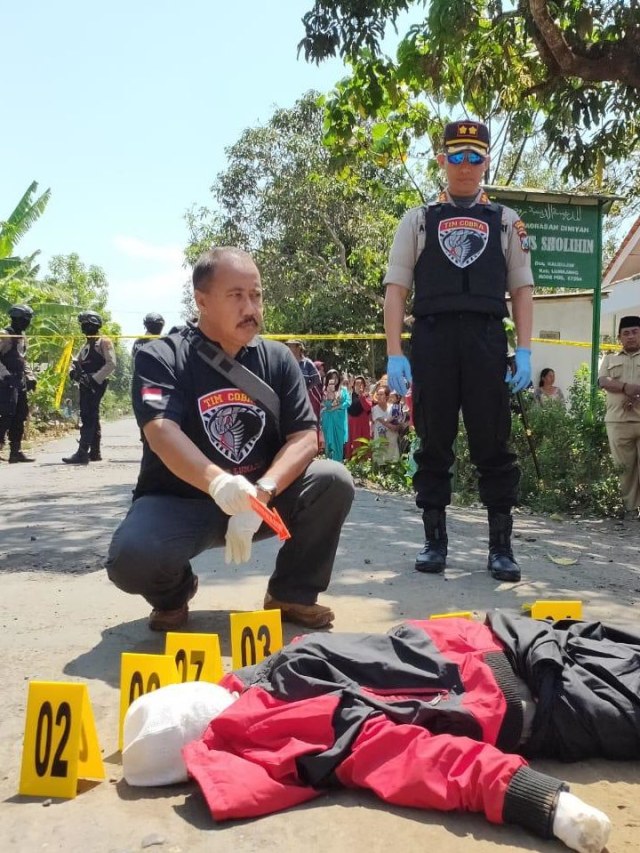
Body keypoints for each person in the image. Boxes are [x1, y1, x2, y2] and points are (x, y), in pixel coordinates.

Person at [125, 611, 633, 853]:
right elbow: (414, 755)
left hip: (538, 684)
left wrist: (536, 800)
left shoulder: (295, 720)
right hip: (522, 651)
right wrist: (535, 798)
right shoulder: (286, 673)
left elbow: (410, 757)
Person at [106, 247, 355, 632]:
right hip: (182, 501)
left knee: (332, 480)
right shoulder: (162, 357)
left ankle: (291, 593)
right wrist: (219, 482)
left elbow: (305, 437)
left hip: (258, 502)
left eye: (256, 295)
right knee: (131, 558)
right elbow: (160, 430)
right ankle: (173, 595)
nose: (250, 307)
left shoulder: (278, 359)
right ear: (201, 301)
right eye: (236, 295)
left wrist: (264, 490)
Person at [384, 120, 534, 582]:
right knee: (434, 441)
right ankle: (434, 542)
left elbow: (523, 289)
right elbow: (395, 289)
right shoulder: (418, 219)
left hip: (487, 340)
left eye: (475, 157)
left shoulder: (508, 221)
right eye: (457, 156)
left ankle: (501, 548)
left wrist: (524, 350)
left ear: (486, 161)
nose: (466, 166)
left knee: (494, 442)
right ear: (441, 160)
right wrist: (395, 352)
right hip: (433, 340)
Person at [598, 315, 640, 519]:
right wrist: (625, 387)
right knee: (625, 469)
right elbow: (603, 381)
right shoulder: (609, 358)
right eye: (626, 333)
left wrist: (636, 393)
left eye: (635, 332)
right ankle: (631, 510)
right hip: (618, 422)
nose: (631, 336)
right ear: (619, 337)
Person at [62, 312, 116, 464]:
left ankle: (82, 452)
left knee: (88, 416)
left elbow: (111, 364)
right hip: (85, 384)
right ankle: (95, 452)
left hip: (95, 385)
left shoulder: (103, 341)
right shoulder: (86, 345)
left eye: (85, 324)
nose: (83, 327)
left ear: (93, 324)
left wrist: (94, 378)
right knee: (92, 416)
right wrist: (73, 372)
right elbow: (76, 362)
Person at [0, 304, 37, 463]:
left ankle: (16, 451)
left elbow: (22, 359)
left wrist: (30, 376)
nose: (27, 323)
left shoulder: (22, 337)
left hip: (19, 380)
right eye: (25, 320)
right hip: (6, 382)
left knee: (20, 415)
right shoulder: (5, 335)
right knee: (6, 415)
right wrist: (6, 375)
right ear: (17, 319)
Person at [285, 339, 323, 425]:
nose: (289, 348)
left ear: (299, 348)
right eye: (289, 346)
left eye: (291, 346)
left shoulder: (307, 363)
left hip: (304, 400)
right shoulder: (287, 362)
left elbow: (317, 379)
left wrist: (306, 388)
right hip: (289, 399)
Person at [320, 368, 349, 462]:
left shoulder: (343, 390)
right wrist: (329, 394)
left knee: (339, 442)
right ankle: (329, 464)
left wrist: (338, 407)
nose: (334, 380)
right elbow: (327, 406)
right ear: (328, 379)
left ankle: (338, 463)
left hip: (339, 420)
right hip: (328, 419)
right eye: (332, 378)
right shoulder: (324, 391)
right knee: (329, 442)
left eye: (336, 377)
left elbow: (348, 402)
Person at [371, 384, 401, 464]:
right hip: (380, 440)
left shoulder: (393, 407)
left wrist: (397, 426)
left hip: (392, 439)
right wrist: (393, 426)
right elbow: (383, 422)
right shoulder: (374, 409)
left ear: (387, 396)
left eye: (381, 394)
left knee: (392, 462)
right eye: (378, 394)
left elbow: (398, 421)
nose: (379, 396)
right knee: (380, 461)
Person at [346, 374, 372, 459]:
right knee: (352, 446)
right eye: (357, 384)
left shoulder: (367, 396)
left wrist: (362, 396)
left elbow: (368, 407)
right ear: (353, 386)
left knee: (363, 446)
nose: (359, 386)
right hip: (352, 426)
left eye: (361, 384)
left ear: (364, 386)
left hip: (363, 426)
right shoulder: (349, 396)